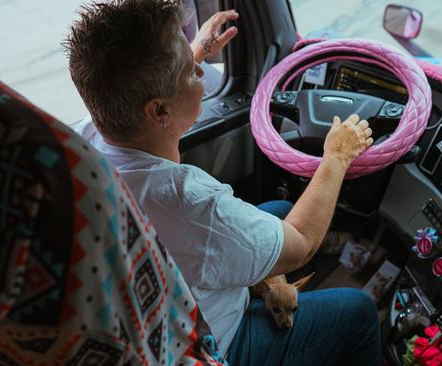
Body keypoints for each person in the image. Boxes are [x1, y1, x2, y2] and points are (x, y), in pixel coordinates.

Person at [65, 0, 382, 364]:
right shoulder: (189, 200)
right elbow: (302, 245)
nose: (201, 73)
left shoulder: (83, 142)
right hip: (209, 343)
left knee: (280, 210)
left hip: (154, 307)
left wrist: (191, 55)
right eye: (191, 72)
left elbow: (146, 96)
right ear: (159, 111)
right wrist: (337, 157)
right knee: (358, 311)